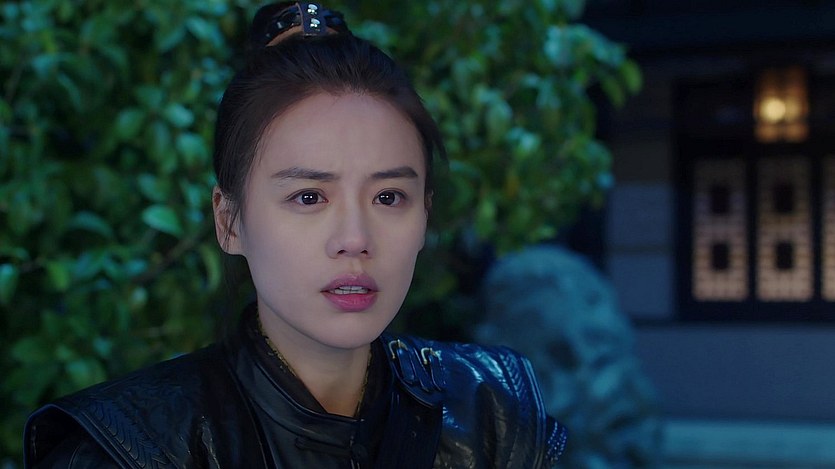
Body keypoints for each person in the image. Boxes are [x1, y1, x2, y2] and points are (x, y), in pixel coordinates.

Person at [23, 2, 567, 467]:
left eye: (388, 197)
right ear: (228, 221)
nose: (354, 238)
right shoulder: (127, 448)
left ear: (425, 214)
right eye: (309, 197)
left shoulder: (492, 415)